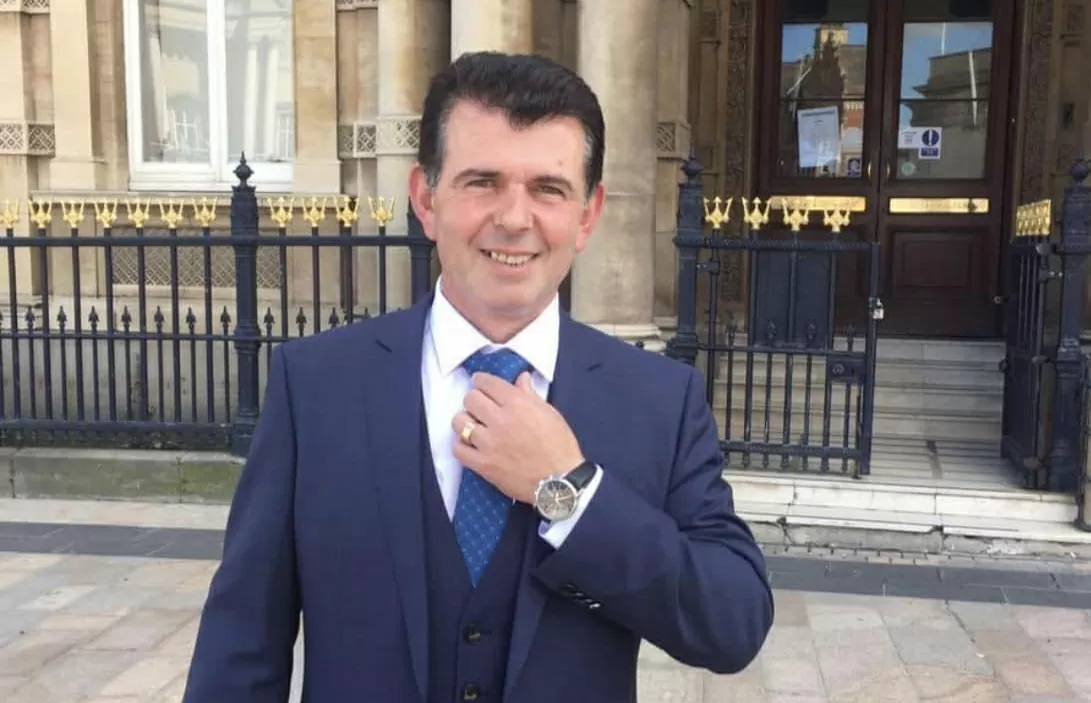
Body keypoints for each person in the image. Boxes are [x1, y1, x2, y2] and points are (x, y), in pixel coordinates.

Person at [182, 51, 773, 703]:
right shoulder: (316, 387)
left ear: (587, 214)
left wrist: (569, 491)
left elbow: (732, 622)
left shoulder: (658, 400)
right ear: (426, 199)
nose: (514, 218)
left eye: (548, 188)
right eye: (482, 182)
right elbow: (241, 646)